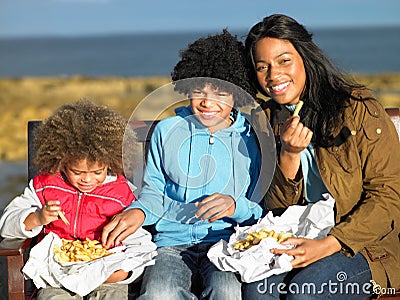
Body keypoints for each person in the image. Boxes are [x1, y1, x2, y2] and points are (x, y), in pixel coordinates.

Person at [242, 14, 400, 299]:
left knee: (306, 291)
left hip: (365, 245)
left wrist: (330, 243)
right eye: (262, 67)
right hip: (298, 236)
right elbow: (277, 209)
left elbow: (388, 195)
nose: (273, 75)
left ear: (305, 57)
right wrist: (288, 155)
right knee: (256, 290)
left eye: (284, 61)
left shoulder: (358, 107)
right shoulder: (264, 120)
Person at [101, 29, 264, 299]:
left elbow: (259, 206)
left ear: (237, 93)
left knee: (226, 291)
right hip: (170, 244)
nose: (207, 102)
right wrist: (140, 212)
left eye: (221, 94)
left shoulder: (250, 138)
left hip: (227, 243)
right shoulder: (168, 131)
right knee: (158, 293)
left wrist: (235, 206)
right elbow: (154, 190)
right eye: (198, 91)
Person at [0, 99, 138, 300]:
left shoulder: (122, 192)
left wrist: (125, 271)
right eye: (77, 172)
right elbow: (6, 224)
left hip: (106, 272)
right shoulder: (45, 185)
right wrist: (37, 218)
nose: (87, 179)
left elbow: (140, 241)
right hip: (58, 273)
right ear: (62, 161)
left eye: (97, 172)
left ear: (111, 162)